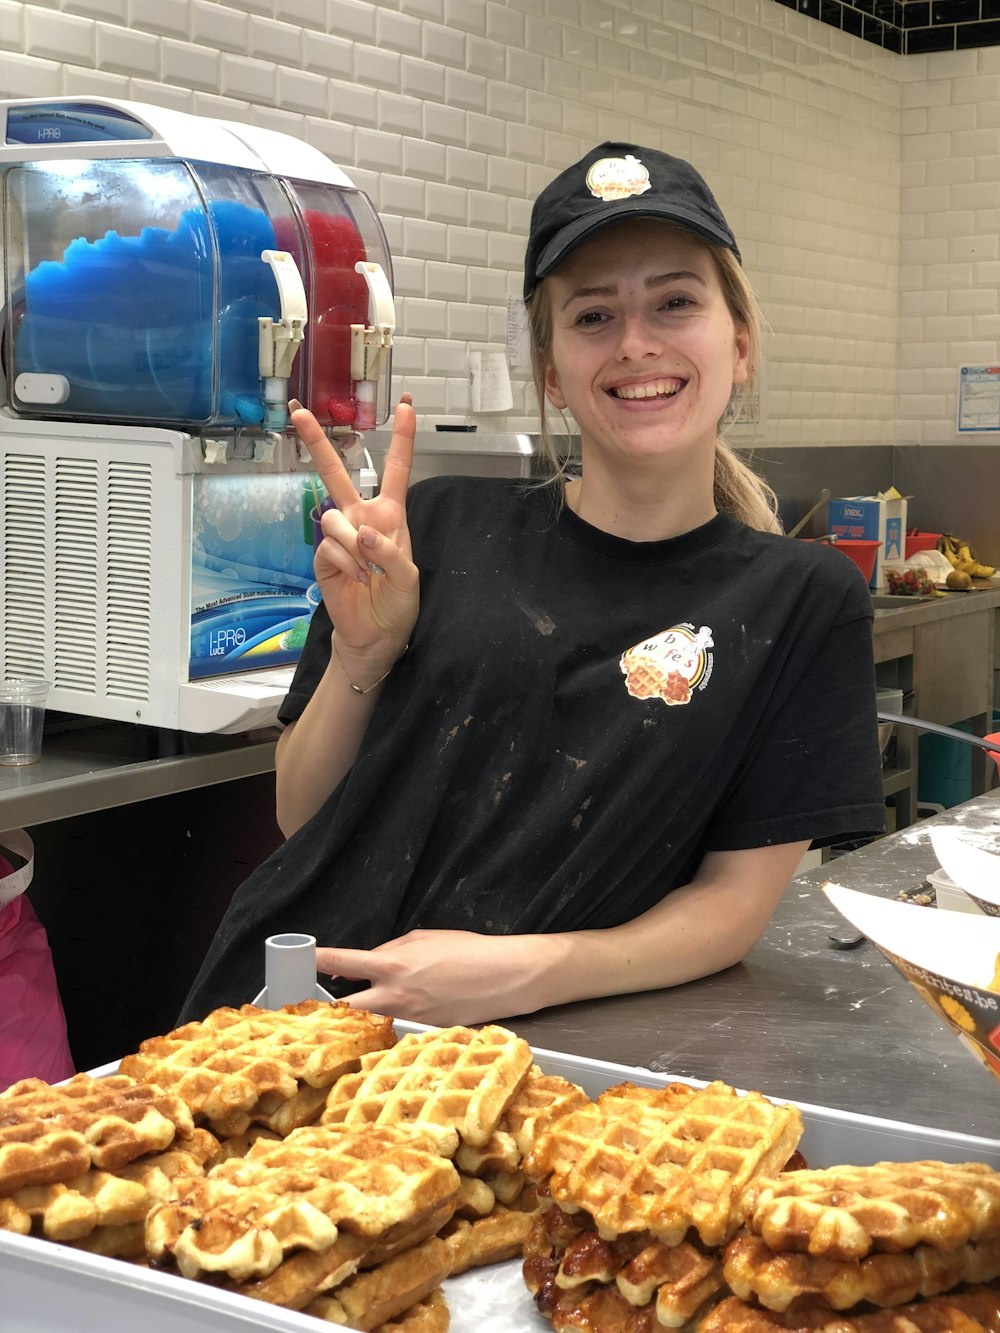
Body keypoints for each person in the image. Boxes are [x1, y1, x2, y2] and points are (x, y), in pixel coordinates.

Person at [180, 141, 885, 1026]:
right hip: (286, 1008)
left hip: (533, 1052)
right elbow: (299, 815)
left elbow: (731, 907)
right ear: (552, 371)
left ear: (737, 346)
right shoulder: (432, 528)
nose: (636, 344)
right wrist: (364, 653)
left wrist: (522, 972)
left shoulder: (796, 603)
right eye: (593, 316)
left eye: (674, 301)